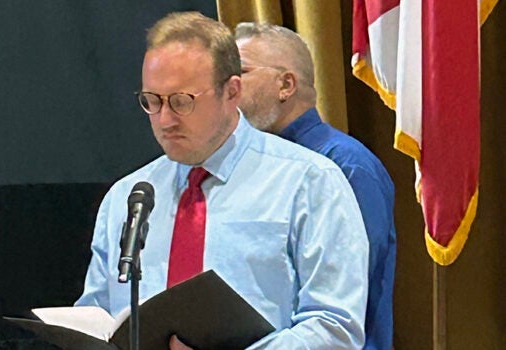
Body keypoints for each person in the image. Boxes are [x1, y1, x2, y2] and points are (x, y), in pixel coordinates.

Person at [76, 12, 369, 349]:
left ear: (232, 92)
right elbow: (97, 314)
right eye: (152, 101)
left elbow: (335, 327)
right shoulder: (128, 196)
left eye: (182, 101)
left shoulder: (309, 182)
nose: (165, 119)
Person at [235, 22, 397, 350]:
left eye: (240, 73)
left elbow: (346, 290)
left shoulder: (348, 166)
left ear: (286, 85)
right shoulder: (242, 167)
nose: (228, 88)